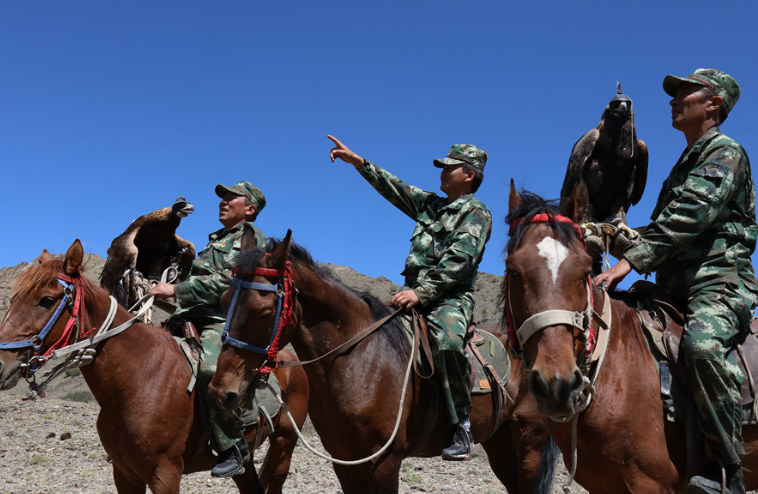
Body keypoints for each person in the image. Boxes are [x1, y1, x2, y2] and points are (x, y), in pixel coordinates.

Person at [595, 69, 757, 494]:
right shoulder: (685, 162)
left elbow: (690, 217)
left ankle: (728, 470)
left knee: (702, 348)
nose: (673, 99)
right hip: (672, 286)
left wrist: (629, 261)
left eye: (685, 92)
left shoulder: (726, 152)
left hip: (718, 282)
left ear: (713, 104)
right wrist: (602, 232)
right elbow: (662, 225)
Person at [328, 135, 492, 461]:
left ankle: (460, 423)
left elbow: (459, 263)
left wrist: (422, 293)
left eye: (450, 168)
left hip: (448, 298)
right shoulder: (430, 204)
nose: (442, 172)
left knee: (446, 343)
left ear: (469, 175)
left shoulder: (476, 212)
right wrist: (357, 161)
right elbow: (395, 187)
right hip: (409, 294)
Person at [150, 181, 267, 478]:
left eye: (232, 198)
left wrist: (176, 290)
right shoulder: (217, 239)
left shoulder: (250, 238)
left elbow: (228, 282)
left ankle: (233, 445)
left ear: (250, 209)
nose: (223, 201)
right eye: (222, 197)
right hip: (189, 315)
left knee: (210, 371)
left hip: (220, 320)